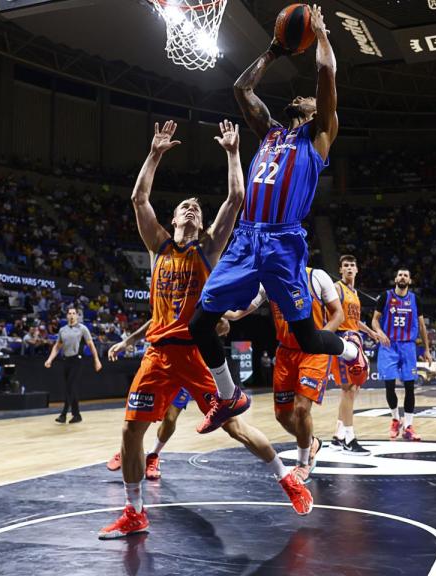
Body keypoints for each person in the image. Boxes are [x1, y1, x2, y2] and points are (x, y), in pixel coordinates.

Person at [98, 120, 312, 540]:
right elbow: (139, 197)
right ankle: (135, 512)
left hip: (198, 352)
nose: (192, 207)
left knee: (234, 427)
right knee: (130, 430)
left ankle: (288, 479)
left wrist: (234, 152)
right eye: (185, 206)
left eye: (197, 205)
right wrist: (155, 153)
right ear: (174, 217)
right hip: (158, 355)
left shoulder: (209, 246)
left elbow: (236, 198)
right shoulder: (158, 244)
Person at [189, 5, 367, 434]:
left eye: (306, 98)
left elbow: (326, 77)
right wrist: (271, 52)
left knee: (308, 339)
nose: (302, 96)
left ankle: (349, 349)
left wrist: (321, 34)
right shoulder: (270, 131)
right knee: (200, 323)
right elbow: (240, 89)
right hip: (247, 239)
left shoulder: (320, 134)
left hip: (284, 243)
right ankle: (229, 396)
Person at [226, 265, 343, 480]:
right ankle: (312, 442)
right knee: (283, 416)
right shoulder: (269, 280)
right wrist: (214, 311)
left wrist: (321, 339)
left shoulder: (317, 276)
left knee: (301, 409)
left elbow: (338, 314)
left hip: (313, 352)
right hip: (286, 353)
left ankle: (302, 463)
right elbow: (239, 312)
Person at [104, 317, 231, 481]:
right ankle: (128, 450)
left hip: (189, 367)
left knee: (170, 417)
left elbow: (225, 324)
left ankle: (154, 455)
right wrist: (130, 340)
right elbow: (154, 319)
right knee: (142, 417)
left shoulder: (207, 305)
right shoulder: (171, 302)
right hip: (164, 364)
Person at [329, 254, 382, 455]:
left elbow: (355, 320)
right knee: (348, 389)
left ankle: (337, 437)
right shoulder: (336, 288)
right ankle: (349, 439)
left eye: (352, 265)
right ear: (341, 269)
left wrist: (371, 332)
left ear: (357, 270)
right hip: (342, 341)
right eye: (345, 266)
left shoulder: (354, 293)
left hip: (355, 339)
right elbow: (332, 314)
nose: (349, 268)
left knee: (354, 388)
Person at [371, 269, 432, 442]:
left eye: (406, 275)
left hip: (408, 347)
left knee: (409, 387)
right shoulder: (385, 297)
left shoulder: (415, 299)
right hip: (388, 345)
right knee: (389, 385)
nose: (402, 277)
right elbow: (375, 320)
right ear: (395, 278)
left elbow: (421, 326)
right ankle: (396, 419)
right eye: (400, 275)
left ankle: (409, 426)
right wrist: (379, 332)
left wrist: (427, 350)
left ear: (410, 280)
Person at [45, 306, 102, 424]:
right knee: (71, 389)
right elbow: (57, 347)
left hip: (77, 361)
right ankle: (77, 415)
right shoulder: (62, 330)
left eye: (74, 313)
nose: (71, 315)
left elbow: (91, 345)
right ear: (67, 316)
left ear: (77, 315)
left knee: (70, 387)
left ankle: (63, 414)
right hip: (66, 361)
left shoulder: (82, 329)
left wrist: (96, 360)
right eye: (69, 313)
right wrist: (50, 359)